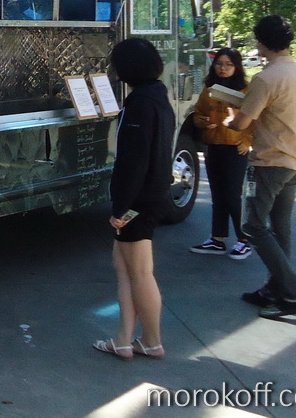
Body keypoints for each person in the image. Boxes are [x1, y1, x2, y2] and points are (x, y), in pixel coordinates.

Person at [226, 15, 296, 319]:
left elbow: (241, 123)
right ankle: (274, 289)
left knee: (252, 226)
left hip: (268, 161)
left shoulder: (266, 78)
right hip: (295, 159)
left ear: (262, 42)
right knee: (280, 229)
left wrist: (231, 118)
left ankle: (293, 293)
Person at [93, 38, 174, 360]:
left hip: (139, 200)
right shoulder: (158, 97)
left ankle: (152, 341)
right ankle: (124, 339)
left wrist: (121, 207)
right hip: (151, 194)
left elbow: (134, 161)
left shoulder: (139, 103)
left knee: (139, 272)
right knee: (124, 267)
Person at [189, 48, 254, 260]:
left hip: (235, 147)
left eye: (228, 64)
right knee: (218, 194)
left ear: (237, 67)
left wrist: (247, 141)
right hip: (213, 145)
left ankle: (244, 240)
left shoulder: (246, 90)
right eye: (219, 64)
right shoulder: (209, 89)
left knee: (233, 194)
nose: (223, 68)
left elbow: (256, 119)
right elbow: (198, 113)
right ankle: (217, 239)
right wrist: (202, 122)